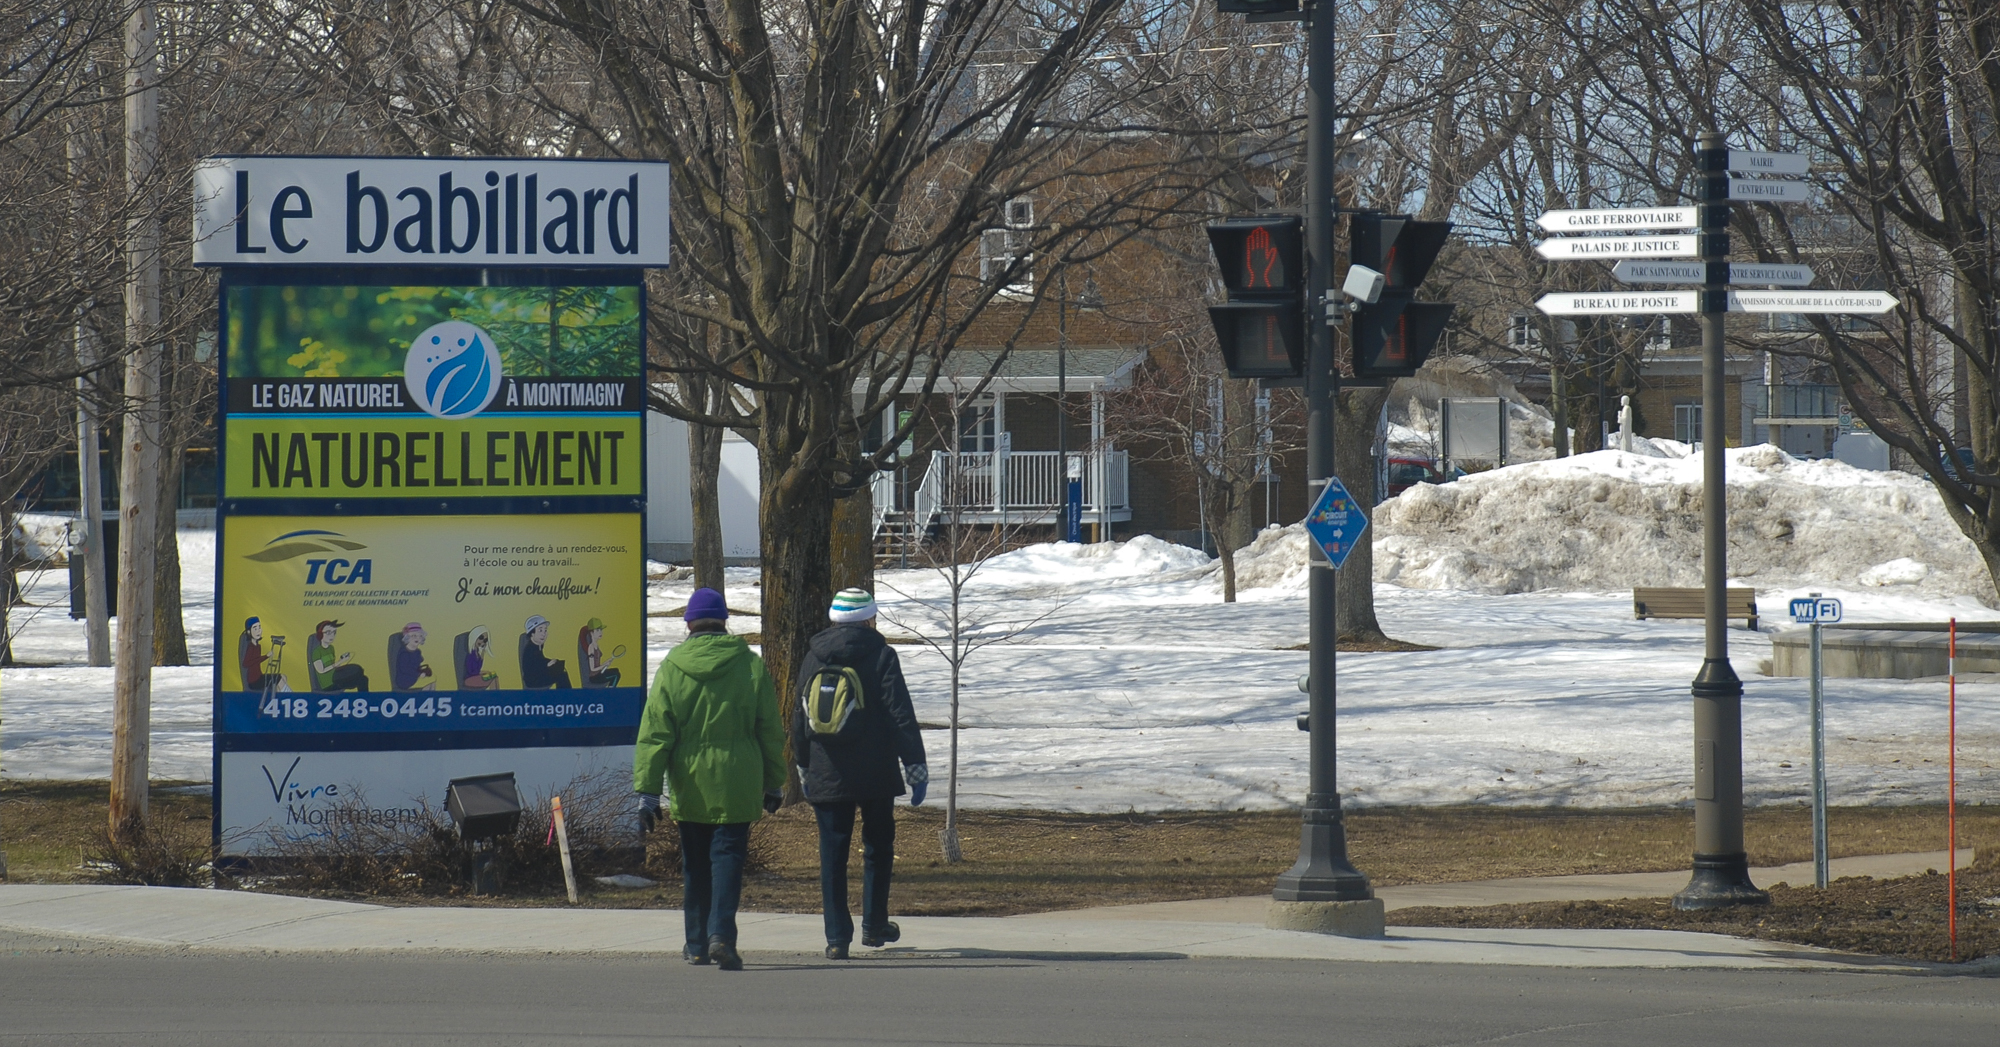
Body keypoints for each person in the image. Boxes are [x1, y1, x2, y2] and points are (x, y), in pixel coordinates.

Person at [633, 587, 785, 971]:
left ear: (688, 623)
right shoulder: (749, 665)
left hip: (690, 783)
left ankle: (696, 943)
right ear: (724, 621)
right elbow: (769, 728)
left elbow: (655, 733)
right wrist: (774, 781)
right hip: (738, 780)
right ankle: (722, 936)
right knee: (728, 860)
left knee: (695, 864)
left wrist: (648, 792)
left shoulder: (672, 667)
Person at [793, 588, 927, 960]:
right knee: (878, 849)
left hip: (825, 768)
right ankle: (874, 924)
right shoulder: (882, 655)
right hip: (875, 772)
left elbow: (799, 716)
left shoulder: (813, 655)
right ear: (869, 619)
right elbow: (900, 713)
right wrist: (915, 766)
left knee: (832, 855)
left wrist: (803, 764)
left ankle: (837, 938)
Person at [307, 619, 368, 692]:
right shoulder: (317, 652)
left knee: (363, 679)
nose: (332, 635)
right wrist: (340, 662)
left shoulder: (331, 648)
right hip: (328, 683)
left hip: (335, 676)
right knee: (357, 671)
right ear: (320, 634)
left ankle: (364, 700)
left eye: (334, 632)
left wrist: (341, 661)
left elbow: (333, 666)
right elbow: (321, 670)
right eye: (328, 632)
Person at [520, 614, 572, 689]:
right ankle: (565, 697)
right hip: (533, 680)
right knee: (561, 675)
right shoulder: (530, 649)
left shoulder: (538, 646)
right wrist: (547, 665)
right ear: (532, 633)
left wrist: (550, 662)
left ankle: (565, 696)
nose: (544, 634)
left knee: (561, 670)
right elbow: (533, 668)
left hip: (538, 675)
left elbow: (540, 660)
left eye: (545, 630)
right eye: (540, 630)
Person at [239, 617, 290, 693]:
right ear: (249, 632)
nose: (258, 630)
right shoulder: (251, 647)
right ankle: (289, 695)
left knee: (283, 676)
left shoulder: (258, 646)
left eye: (259, 627)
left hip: (259, 677)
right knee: (278, 678)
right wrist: (266, 656)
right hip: (254, 681)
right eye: (255, 629)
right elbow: (246, 663)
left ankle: (280, 698)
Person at [391, 622, 436, 691]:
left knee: (432, 680)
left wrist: (424, 670)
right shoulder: (404, 653)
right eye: (414, 636)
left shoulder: (417, 652)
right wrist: (418, 674)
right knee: (429, 683)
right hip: (405, 679)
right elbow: (405, 669)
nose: (417, 638)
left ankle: (429, 698)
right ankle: (422, 697)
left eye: (420, 636)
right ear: (407, 638)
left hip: (415, 676)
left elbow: (417, 665)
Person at [581, 617, 621, 687]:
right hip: (594, 677)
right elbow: (592, 669)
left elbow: (597, 665)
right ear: (591, 633)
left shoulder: (596, 645)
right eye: (597, 630)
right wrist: (604, 666)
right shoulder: (591, 647)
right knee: (616, 675)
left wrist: (606, 662)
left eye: (601, 630)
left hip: (599, 673)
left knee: (616, 670)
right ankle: (610, 693)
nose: (600, 632)